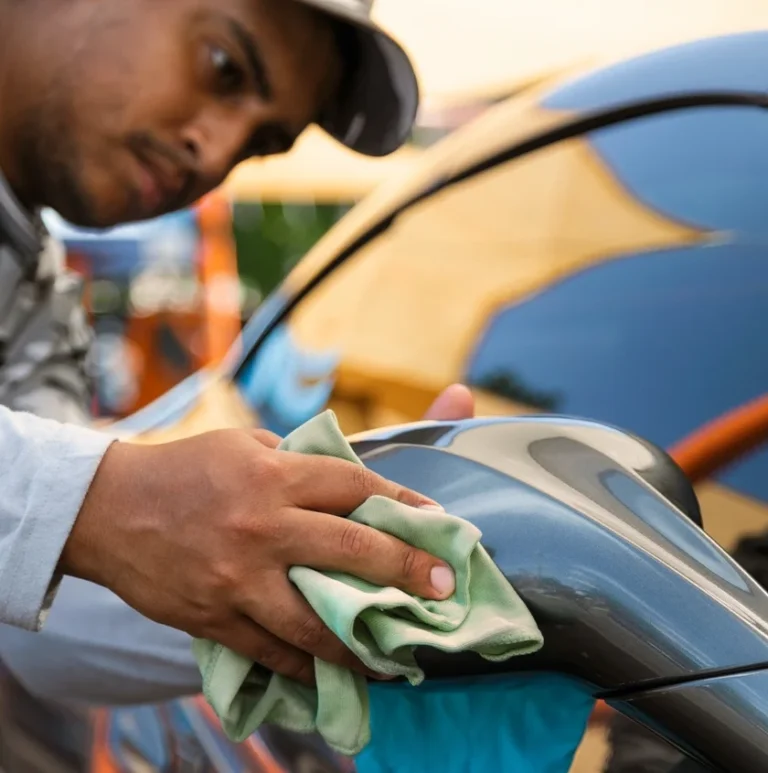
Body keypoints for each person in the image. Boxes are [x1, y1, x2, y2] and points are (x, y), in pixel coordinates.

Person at [0, 0, 476, 689]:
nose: (217, 153)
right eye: (223, 67)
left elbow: (32, 602)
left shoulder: (34, 298)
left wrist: (345, 582)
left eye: (260, 144)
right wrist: (101, 500)